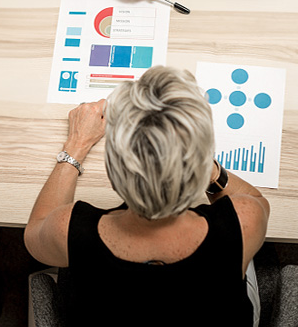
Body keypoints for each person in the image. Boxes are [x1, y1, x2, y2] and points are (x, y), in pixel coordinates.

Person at [24, 66, 269, 326]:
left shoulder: (69, 230)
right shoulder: (244, 221)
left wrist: (77, 144)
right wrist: (201, 163)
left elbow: (34, 234)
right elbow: (257, 201)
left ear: (113, 169)